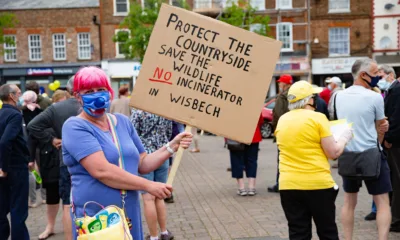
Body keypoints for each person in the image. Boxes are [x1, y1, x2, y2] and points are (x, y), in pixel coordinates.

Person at [61, 67, 192, 240]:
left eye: (100, 89)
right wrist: (148, 186)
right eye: (89, 91)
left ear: (109, 92)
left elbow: (142, 163)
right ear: (78, 96)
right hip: (98, 215)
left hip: (127, 211)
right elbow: (102, 171)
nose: (96, 95)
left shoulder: (122, 122)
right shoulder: (75, 127)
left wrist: (171, 147)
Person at [275, 80, 353, 239]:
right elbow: (333, 152)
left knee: (298, 233)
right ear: (309, 99)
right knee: (327, 231)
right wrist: (345, 137)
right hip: (317, 184)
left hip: (288, 184)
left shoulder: (282, 120)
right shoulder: (317, 118)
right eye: (313, 96)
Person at [336, 59, 392, 240]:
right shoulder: (375, 97)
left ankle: (348, 238)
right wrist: (381, 137)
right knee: (382, 201)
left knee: (349, 201)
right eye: (375, 73)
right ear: (363, 75)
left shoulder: (338, 96)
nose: (378, 76)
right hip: (371, 154)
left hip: (348, 154)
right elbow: (381, 128)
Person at [28, 76, 81, 240]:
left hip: (65, 160)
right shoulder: (93, 105)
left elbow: (32, 126)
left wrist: (53, 140)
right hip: (87, 160)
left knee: (67, 203)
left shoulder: (57, 108)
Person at [130, 110, 174, 240]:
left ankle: (154, 236)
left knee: (148, 199)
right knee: (159, 197)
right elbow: (169, 133)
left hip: (145, 157)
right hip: (163, 155)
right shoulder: (165, 112)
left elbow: (132, 135)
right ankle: (164, 232)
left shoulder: (138, 113)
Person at [0, 84, 31, 240]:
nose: (21, 96)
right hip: (15, 167)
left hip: (3, 166)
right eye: (19, 93)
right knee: (18, 210)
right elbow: (5, 141)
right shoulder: (15, 115)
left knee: (2, 207)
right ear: (11, 96)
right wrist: (4, 168)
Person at [379, 65, 400, 232]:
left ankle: (396, 219)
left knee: (396, 180)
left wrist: (389, 138)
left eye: (381, 75)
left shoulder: (397, 90)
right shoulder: (393, 89)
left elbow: (395, 117)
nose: (380, 78)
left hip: (395, 142)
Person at [20, 90, 45, 208]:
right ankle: (45, 197)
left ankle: (33, 200)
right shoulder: (41, 111)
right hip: (41, 143)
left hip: (27, 144)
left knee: (30, 171)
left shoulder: (21, 112)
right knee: (43, 169)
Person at [268, 74, 293, 193]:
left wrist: (276, 130)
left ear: (285, 84)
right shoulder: (297, 95)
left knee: (282, 160)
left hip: (284, 133)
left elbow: (277, 114)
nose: (279, 84)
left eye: (280, 83)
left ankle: (280, 184)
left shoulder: (282, 97)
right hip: (295, 133)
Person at [229, 114, 263, 196]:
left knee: (237, 160)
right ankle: (251, 187)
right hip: (253, 134)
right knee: (252, 160)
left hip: (236, 134)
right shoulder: (254, 104)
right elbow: (260, 120)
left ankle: (242, 188)